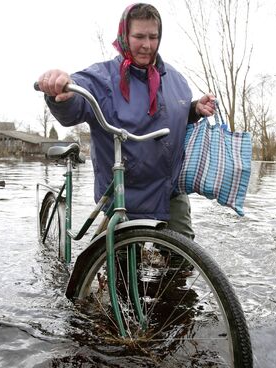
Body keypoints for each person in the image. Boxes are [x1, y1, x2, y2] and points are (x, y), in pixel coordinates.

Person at [37, 3, 215, 239]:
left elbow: (174, 114)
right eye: (139, 36)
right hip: (123, 192)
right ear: (124, 36)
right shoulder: (102, 79)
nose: (147, 45)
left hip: (167, 191)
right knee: (119, 267)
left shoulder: (175, 80)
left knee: (180, 264)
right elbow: (75, 104)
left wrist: (194, 110)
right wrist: (62, 92)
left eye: (153, 36)